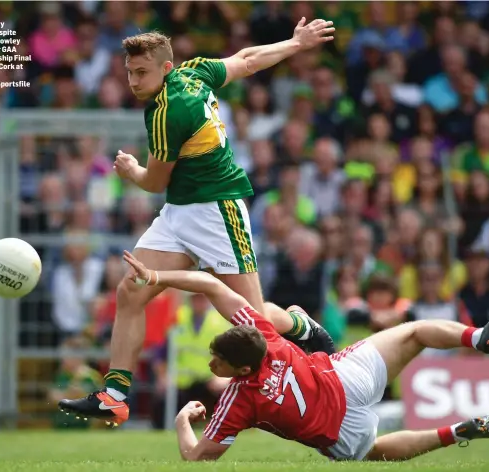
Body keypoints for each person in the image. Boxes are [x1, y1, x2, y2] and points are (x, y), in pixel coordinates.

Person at [59, 18, 336, 426]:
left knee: (251, 320)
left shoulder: (169, 111)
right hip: (179, 212)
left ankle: (298, 323)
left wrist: (131, 169)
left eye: (141, 72)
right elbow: (246, 60)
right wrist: (295, 43)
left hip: (217, 211)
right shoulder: (195, 70)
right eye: (129, 73)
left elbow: (154, 181)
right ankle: (114, 394)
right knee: (131, 290)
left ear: (165, 69)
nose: (134, 81)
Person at [117, 252, 489, 461]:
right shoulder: (262, 336)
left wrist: (182, 422)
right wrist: (156, 277)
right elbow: (209, 284)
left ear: (241, 370)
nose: (210, 366)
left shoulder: (238, 399)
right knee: (416, 332)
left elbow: (194, 456)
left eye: (217, 363)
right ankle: (477, 336)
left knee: (375, 453)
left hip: (337, 431)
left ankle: (454, 433)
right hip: (347, 377)